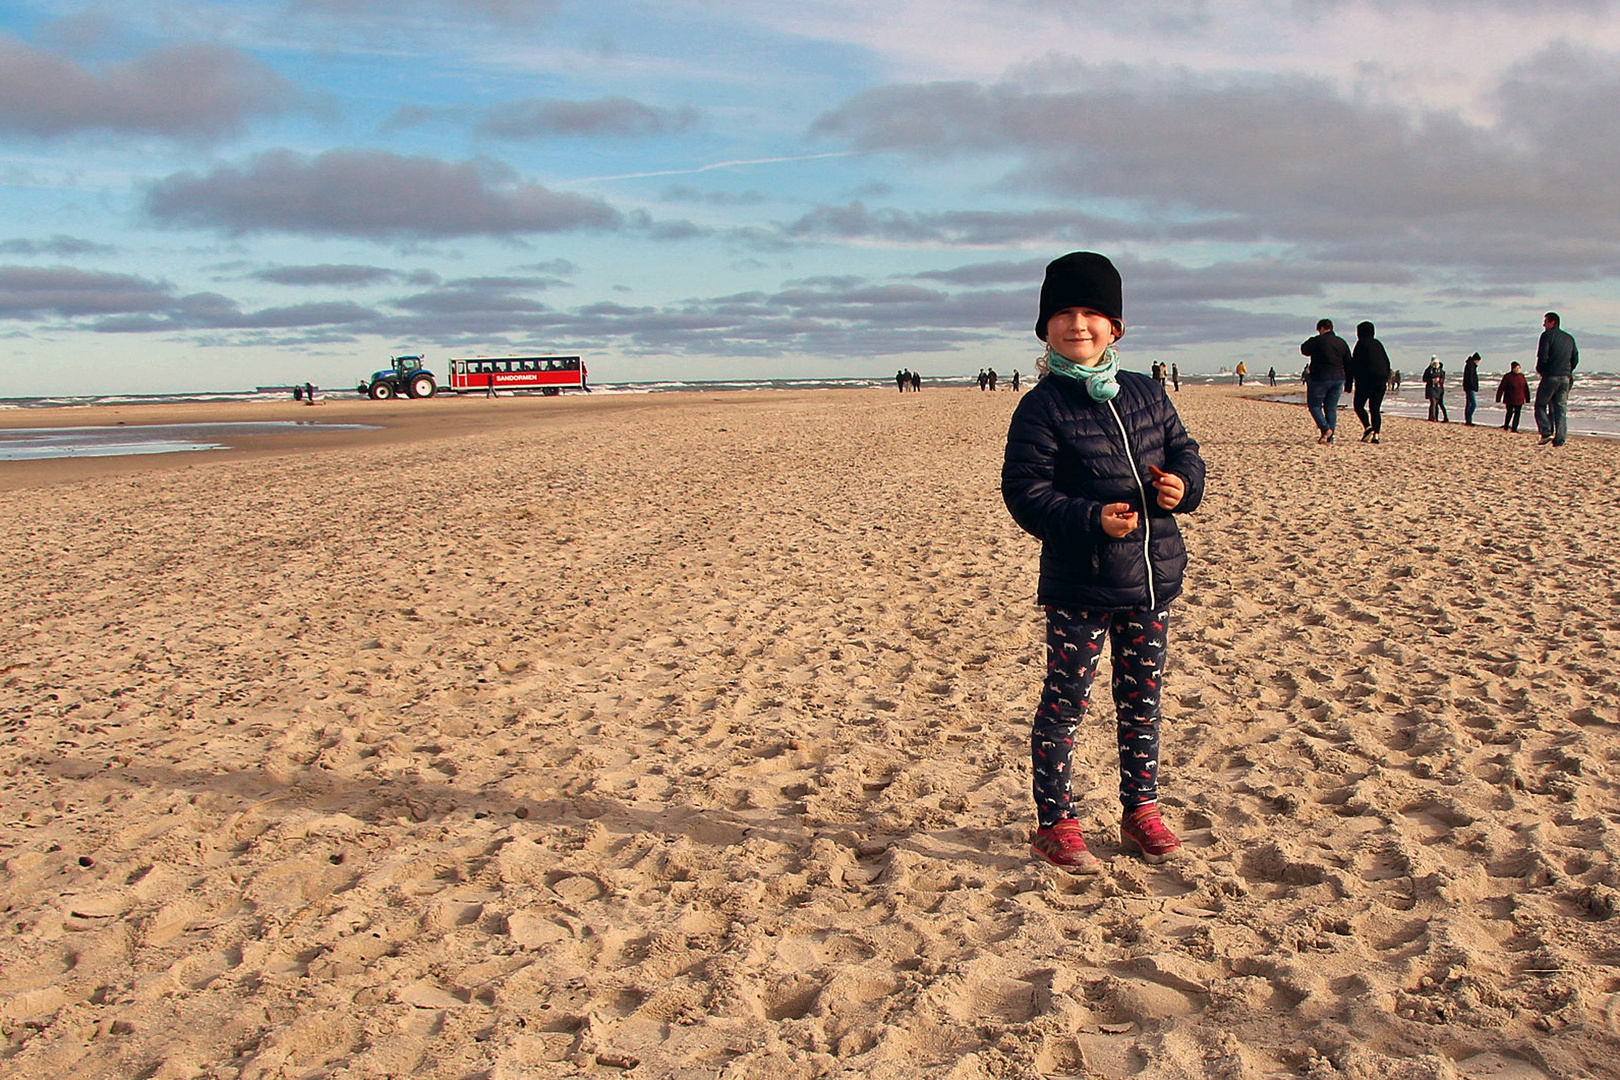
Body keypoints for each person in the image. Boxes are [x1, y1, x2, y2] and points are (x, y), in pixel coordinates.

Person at [1002, 252, 1207, 873]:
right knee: (1065, 702)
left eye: (1092, 312)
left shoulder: (1147, 391)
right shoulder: (1041, 407)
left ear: (1116, 326)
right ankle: (1055, 822)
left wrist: (1183, 487)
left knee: (1142, 701)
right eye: (1064, 313)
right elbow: (1026, 494)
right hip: (1080, 583)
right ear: (1045, 328)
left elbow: (1185, 454)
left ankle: (1140, 810)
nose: (1078, 324)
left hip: (1150, 583)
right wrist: (1090, 519)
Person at [1300, 319, 1351, 443]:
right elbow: (1349, 363)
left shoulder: (1317, 341)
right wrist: (1349, 383)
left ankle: (1326, 428)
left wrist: (1312, 340)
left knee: (1314, 406)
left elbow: (1304, 350)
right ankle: (1330, 438)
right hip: (1338, 378)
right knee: (1331, 408)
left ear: (1321, 328)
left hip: (1320, 377)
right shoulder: (1341, 342)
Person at [1535, 311, 1579, 446]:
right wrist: (1568, 370)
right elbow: (1575, 358)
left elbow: (1543, 356)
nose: (1543, 324)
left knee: (1540, 405)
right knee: (1560, 408)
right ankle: (1560, 438)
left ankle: (1546, 431)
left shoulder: (1547, 336)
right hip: (1566, 376)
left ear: (1552, 322)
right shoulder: (1569, 338)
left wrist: (1541, 370)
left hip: (1551, 375)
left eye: (1546, 321)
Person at [1348, 321, 1392, 443]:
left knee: (1358, 405)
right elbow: (1387, 363)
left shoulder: (1361, 344)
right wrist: (1385, 378)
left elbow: (1355, 365)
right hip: (1380, 381)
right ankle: (1376, 435)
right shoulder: (1378, 344)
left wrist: (1351, 382)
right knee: (1375, 408)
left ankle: (1368, 427)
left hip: (1365, 381)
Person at [1496, 361, 1530, 433]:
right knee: (1509, 412)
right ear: (1512, 368)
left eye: (1519, 368)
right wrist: (1498, 397)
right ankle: (1506, 425)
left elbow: (1526, 388)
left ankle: (1514, 428)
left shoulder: (1522, 376)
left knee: (1517, 414)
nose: (1518, 369)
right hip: (1510, 399)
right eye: (1516, 368)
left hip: (1520, 399)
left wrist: (1527, 398)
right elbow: (1501, 387)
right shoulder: (1507, 376)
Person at [1422, 356, 1448, 422]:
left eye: (1436, 363)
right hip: (1431, 388)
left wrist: (1439, 380)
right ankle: (1432, 418)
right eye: (1434, 363)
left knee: (1439, 403)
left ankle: (1444, 417)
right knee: (1433, 402)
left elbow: (1443, 378)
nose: (1435, 365)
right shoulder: (1428, 370)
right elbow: (1424, 379)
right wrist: (1432, 380)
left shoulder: (1441, 370)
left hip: (1439, 389)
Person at [1463, 353, 1482, 425]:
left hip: (1468, 387)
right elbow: (1470, 378)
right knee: (1473, 404)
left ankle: (1468, 420)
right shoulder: (1471, 366)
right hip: (1470, 387)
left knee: (1469, 403)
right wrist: (1474, 386)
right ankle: (1469, 418)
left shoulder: (1470, 365)